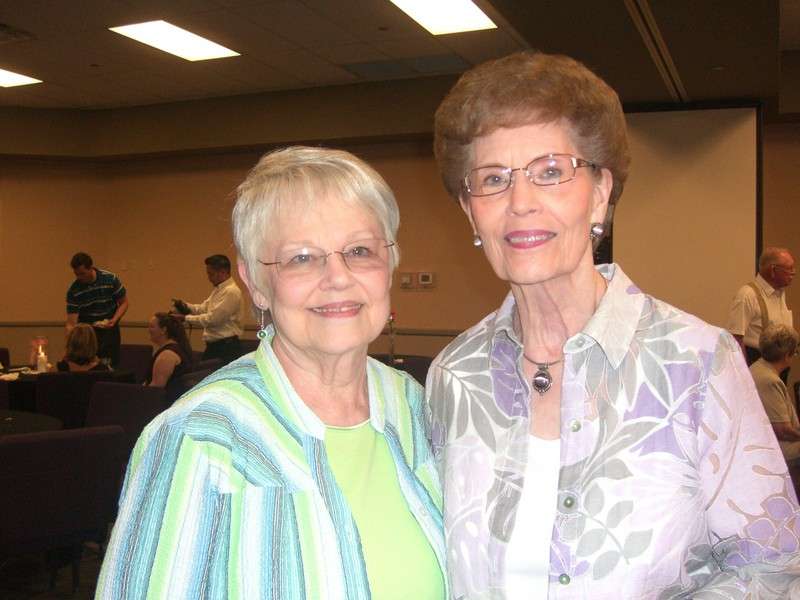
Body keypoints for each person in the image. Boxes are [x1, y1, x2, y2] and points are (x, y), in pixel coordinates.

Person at [427, 51, 800, 599]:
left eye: (550, 172)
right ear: (469, 210)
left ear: (600, 192)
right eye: (493, 179)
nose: (520, 202)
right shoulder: (453, 376)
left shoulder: (698, 364)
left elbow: (773, 567)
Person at [96, 146, 446, 599]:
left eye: (360, 250)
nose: (338, 277)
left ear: (390, 265)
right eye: (302, 257)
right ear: (256, 284)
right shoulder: (199, 437)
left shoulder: (413, 404)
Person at [727, 247, 795, 374]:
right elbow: (735, 338)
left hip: (779, 365)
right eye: (789, 269)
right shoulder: (747, 295)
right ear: (773, 270)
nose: (793, 273)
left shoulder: (780, 293)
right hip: (757, 365)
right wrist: (745, 374)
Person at [171, 254, 244, 365]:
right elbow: (203, 308)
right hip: (218, 346)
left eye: (211, 274)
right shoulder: (219, 290)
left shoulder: (231, 292)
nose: (209, 278)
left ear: (223, 272)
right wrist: (185, 306)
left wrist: (185, 318)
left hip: (226, 348)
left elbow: (213, 319)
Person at [66, 252, 128, 367]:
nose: (79, 277)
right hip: (88, 334)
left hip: (109, 329)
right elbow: (71, 322)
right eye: (76, 274)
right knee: (89, 366)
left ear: (91, 268)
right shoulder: (74, 290)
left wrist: (114, 320)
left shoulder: (110, 279)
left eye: (82, 274)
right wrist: (70, 341)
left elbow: (124, 303)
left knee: (110, 366)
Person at [750, 324, 800, 465]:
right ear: (786, 355)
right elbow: (782, 431)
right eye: (795, 352)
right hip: (779, 451)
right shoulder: (770, 380)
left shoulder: (756, 367)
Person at [145, 312, 192, 401]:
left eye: (152, 326)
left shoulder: (167, 355)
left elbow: (155, 389)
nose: (148, 330)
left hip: (165, 403)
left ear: (163, 330)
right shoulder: (179, 348)